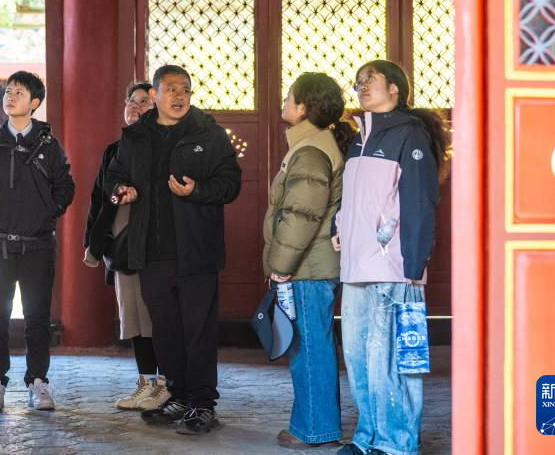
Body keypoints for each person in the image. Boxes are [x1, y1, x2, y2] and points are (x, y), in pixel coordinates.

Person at [105, 65, 242, 435]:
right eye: (171, 89)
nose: (179, 96)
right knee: (165, 330)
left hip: (196, 251)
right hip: (151, 252)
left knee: (198, 331)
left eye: (185, 89)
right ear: (155, 95)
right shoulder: (136, 136)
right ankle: (179, 395)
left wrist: (197, 190)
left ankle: (203, 404)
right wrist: (121, 191)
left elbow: (230, 183)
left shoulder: (209, 134)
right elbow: (113, 176)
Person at [333, 60, 451, 455]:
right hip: (356, 265)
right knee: (359, 358)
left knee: (393, 360)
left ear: (395, 88)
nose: (362, 85)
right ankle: (367, 438)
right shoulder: (358, 138)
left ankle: (397, 443)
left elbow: (420, 200)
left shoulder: (410, 134)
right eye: (359, 80)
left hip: (394, 266)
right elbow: (354, 199)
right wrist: (338, 227)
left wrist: (414, 263)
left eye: (371, 79)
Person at [0, 71, 76, 412]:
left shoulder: (49, 146)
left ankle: (38, 382)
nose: (10, 97)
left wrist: (46, 215)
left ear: (35, 102)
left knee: (37, 317)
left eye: (19, 93)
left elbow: (65, 187)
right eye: (8, 92)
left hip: (38, 245)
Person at [263, 73, 354, 449]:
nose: (284, 103)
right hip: (311, 264)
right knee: (312, 343)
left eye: (289, 98)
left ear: (302, 107)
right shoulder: (311, 144)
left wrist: (280, 266)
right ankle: (316, 424)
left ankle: (314, 429)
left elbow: (302, 215)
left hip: (308, 266)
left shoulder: (311, 150)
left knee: (310, 347)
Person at [83, 81, 170, 411]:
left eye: (144, 101)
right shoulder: (113, 150)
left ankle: (166, 383)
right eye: (131, 101)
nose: (135, 106)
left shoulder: (165, 146)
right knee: (133, 314)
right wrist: (94, 243)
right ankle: (145, 383)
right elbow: (101, 198)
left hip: (156, 244)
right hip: (122, 245)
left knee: (157, 315)